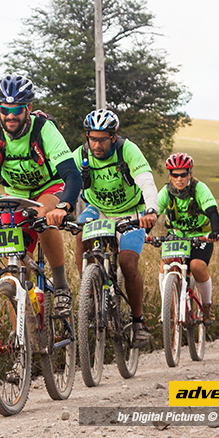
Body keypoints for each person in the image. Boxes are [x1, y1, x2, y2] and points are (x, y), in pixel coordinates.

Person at [0, 74, 83, 317]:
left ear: (28, 108)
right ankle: (21, 342)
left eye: (17, 110)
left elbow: (72, 175)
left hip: (49, 187)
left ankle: (62, 286)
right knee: (16, 269)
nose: (10, 116)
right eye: (4, 110)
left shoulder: (45, 129)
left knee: (43, 217)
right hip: (16, 193)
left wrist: (63, 207)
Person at [72, 109, 159, 347]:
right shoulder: (80, 154)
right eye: (92, 138)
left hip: (131, 212)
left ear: (113, 137)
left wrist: (151, 210)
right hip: (98, 209)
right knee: (80, 231)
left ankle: (138, 321)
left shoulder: (127, 150)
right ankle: (87, 293)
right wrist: (61, 206)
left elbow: (146, 181)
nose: (96, 144)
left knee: (128, 263)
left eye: (102, 139)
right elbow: (65, 182)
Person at [156, 152, 219, 325]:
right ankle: (166, 308)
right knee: (166, 262)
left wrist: (215, 231)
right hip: (177, 235)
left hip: (200, 237)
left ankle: (207, 306)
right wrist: (145, 233)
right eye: (175, 175)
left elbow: (212, 211)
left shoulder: (200, 188)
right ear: (169, 175)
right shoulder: (166, 192)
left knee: (197, 266)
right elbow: (153, 213)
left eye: (183, 174)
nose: (179, 179)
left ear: (190, 174)